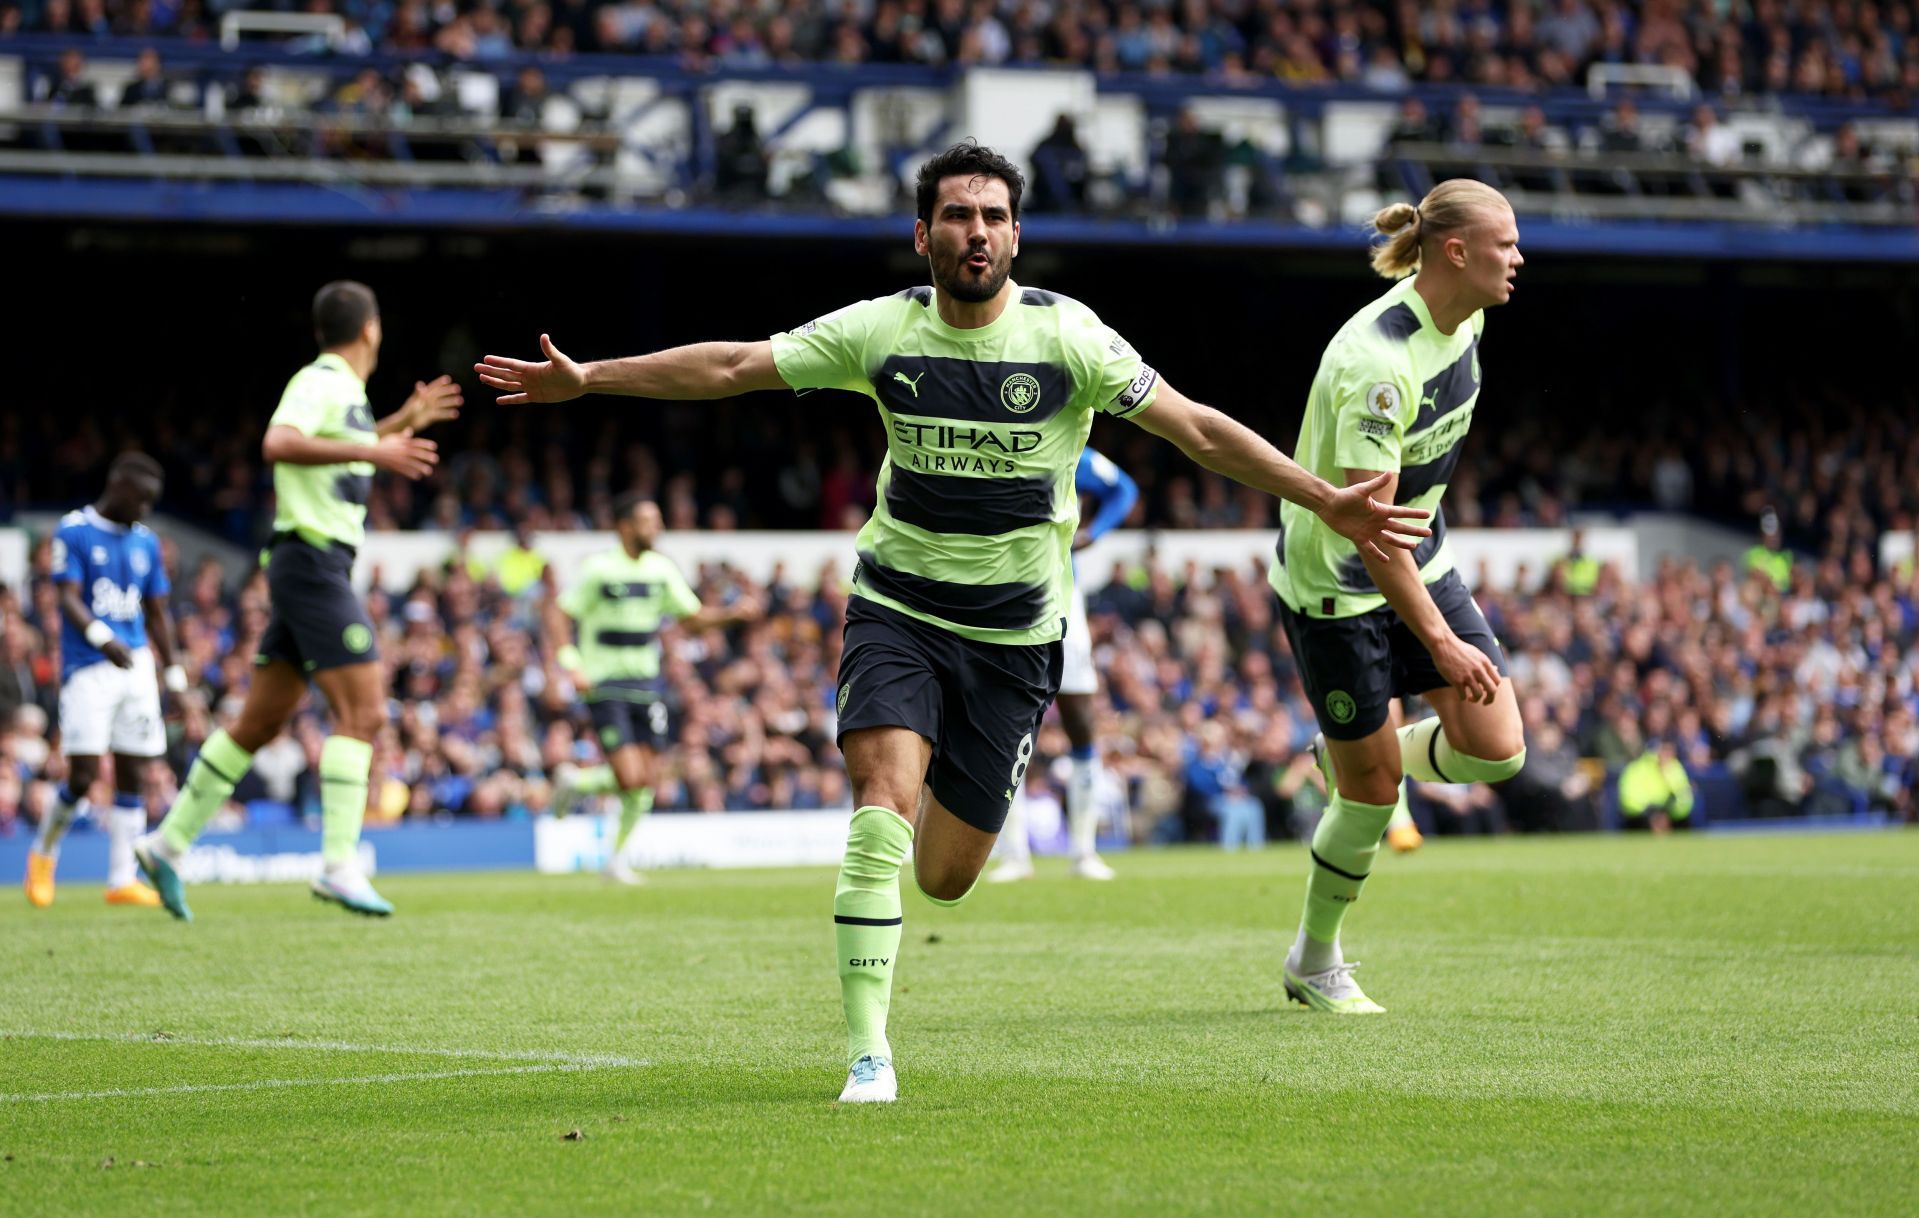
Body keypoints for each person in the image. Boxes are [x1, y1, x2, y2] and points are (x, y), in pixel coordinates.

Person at [477, 140, 1429, 1103]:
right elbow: (732, 365)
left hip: (1016, 640)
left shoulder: (1071, 341)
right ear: (922, 232)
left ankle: (926, 847)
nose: (975, 232)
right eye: (957, 215)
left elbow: (1195, 427)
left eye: (992, 217)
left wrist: (1323, 497)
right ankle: (867, 1052)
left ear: (1016, 235)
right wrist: (590, 378)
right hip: (898, 609)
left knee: (944, 876)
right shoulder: (880, 331)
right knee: (879, 813)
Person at [1271, 178, 1528, 1015]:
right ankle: (1315, 958)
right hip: (1338, 587)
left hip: (1424, 557)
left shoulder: (1469, 319)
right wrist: (1444, 646)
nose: (1519, 259)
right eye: (1507, 244)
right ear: (1457, 252)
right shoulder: (1375, 364)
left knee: (1498, 747)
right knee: (1374, 798)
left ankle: (1344, 754)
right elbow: (1368, 534)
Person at [134, 281, 458, 922]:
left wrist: (396, 425)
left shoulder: (350, 396)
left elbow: (329, 458)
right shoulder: (323, 380)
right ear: (370, 329)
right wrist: (374, 444)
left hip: (307, 564)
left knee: (259, 723)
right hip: (311, 563)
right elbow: (279, 443)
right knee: (364, 712)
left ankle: (165, 846)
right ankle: (339, 864)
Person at [550, 495, 763, 884]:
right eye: (649, 521)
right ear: (625, 526)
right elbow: (558, 614)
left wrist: (730, 615)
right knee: (631, 778)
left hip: (647, 686)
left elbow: (692, 619)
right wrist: (570, 664)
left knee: (646, 781)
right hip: (605, 684)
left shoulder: (661, 570)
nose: (658, 527)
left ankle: (609, 846)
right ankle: (581, 786)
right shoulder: (599, 569)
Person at [24, 453, 182, 909]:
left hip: (135, 667)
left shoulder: (146, 542)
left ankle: (121, 879)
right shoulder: (73, 531)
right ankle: (42, 854)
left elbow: (156, 611)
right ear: (120, 486)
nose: (146, 509)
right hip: (89, 668)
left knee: (134, 771)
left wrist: (174, 673)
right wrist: (100, 636)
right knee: (84, 775)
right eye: (143, 499)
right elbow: (65, 597)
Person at [990, 445, 1137, 882]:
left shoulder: (1073, 450)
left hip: (1061, 593)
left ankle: (1084, 852)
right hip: (1002, 592)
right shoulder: (994, 441)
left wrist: (1095, 531)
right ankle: (1014, 854)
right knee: (1005, 722)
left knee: (1079, 717)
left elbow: (1124, 489)